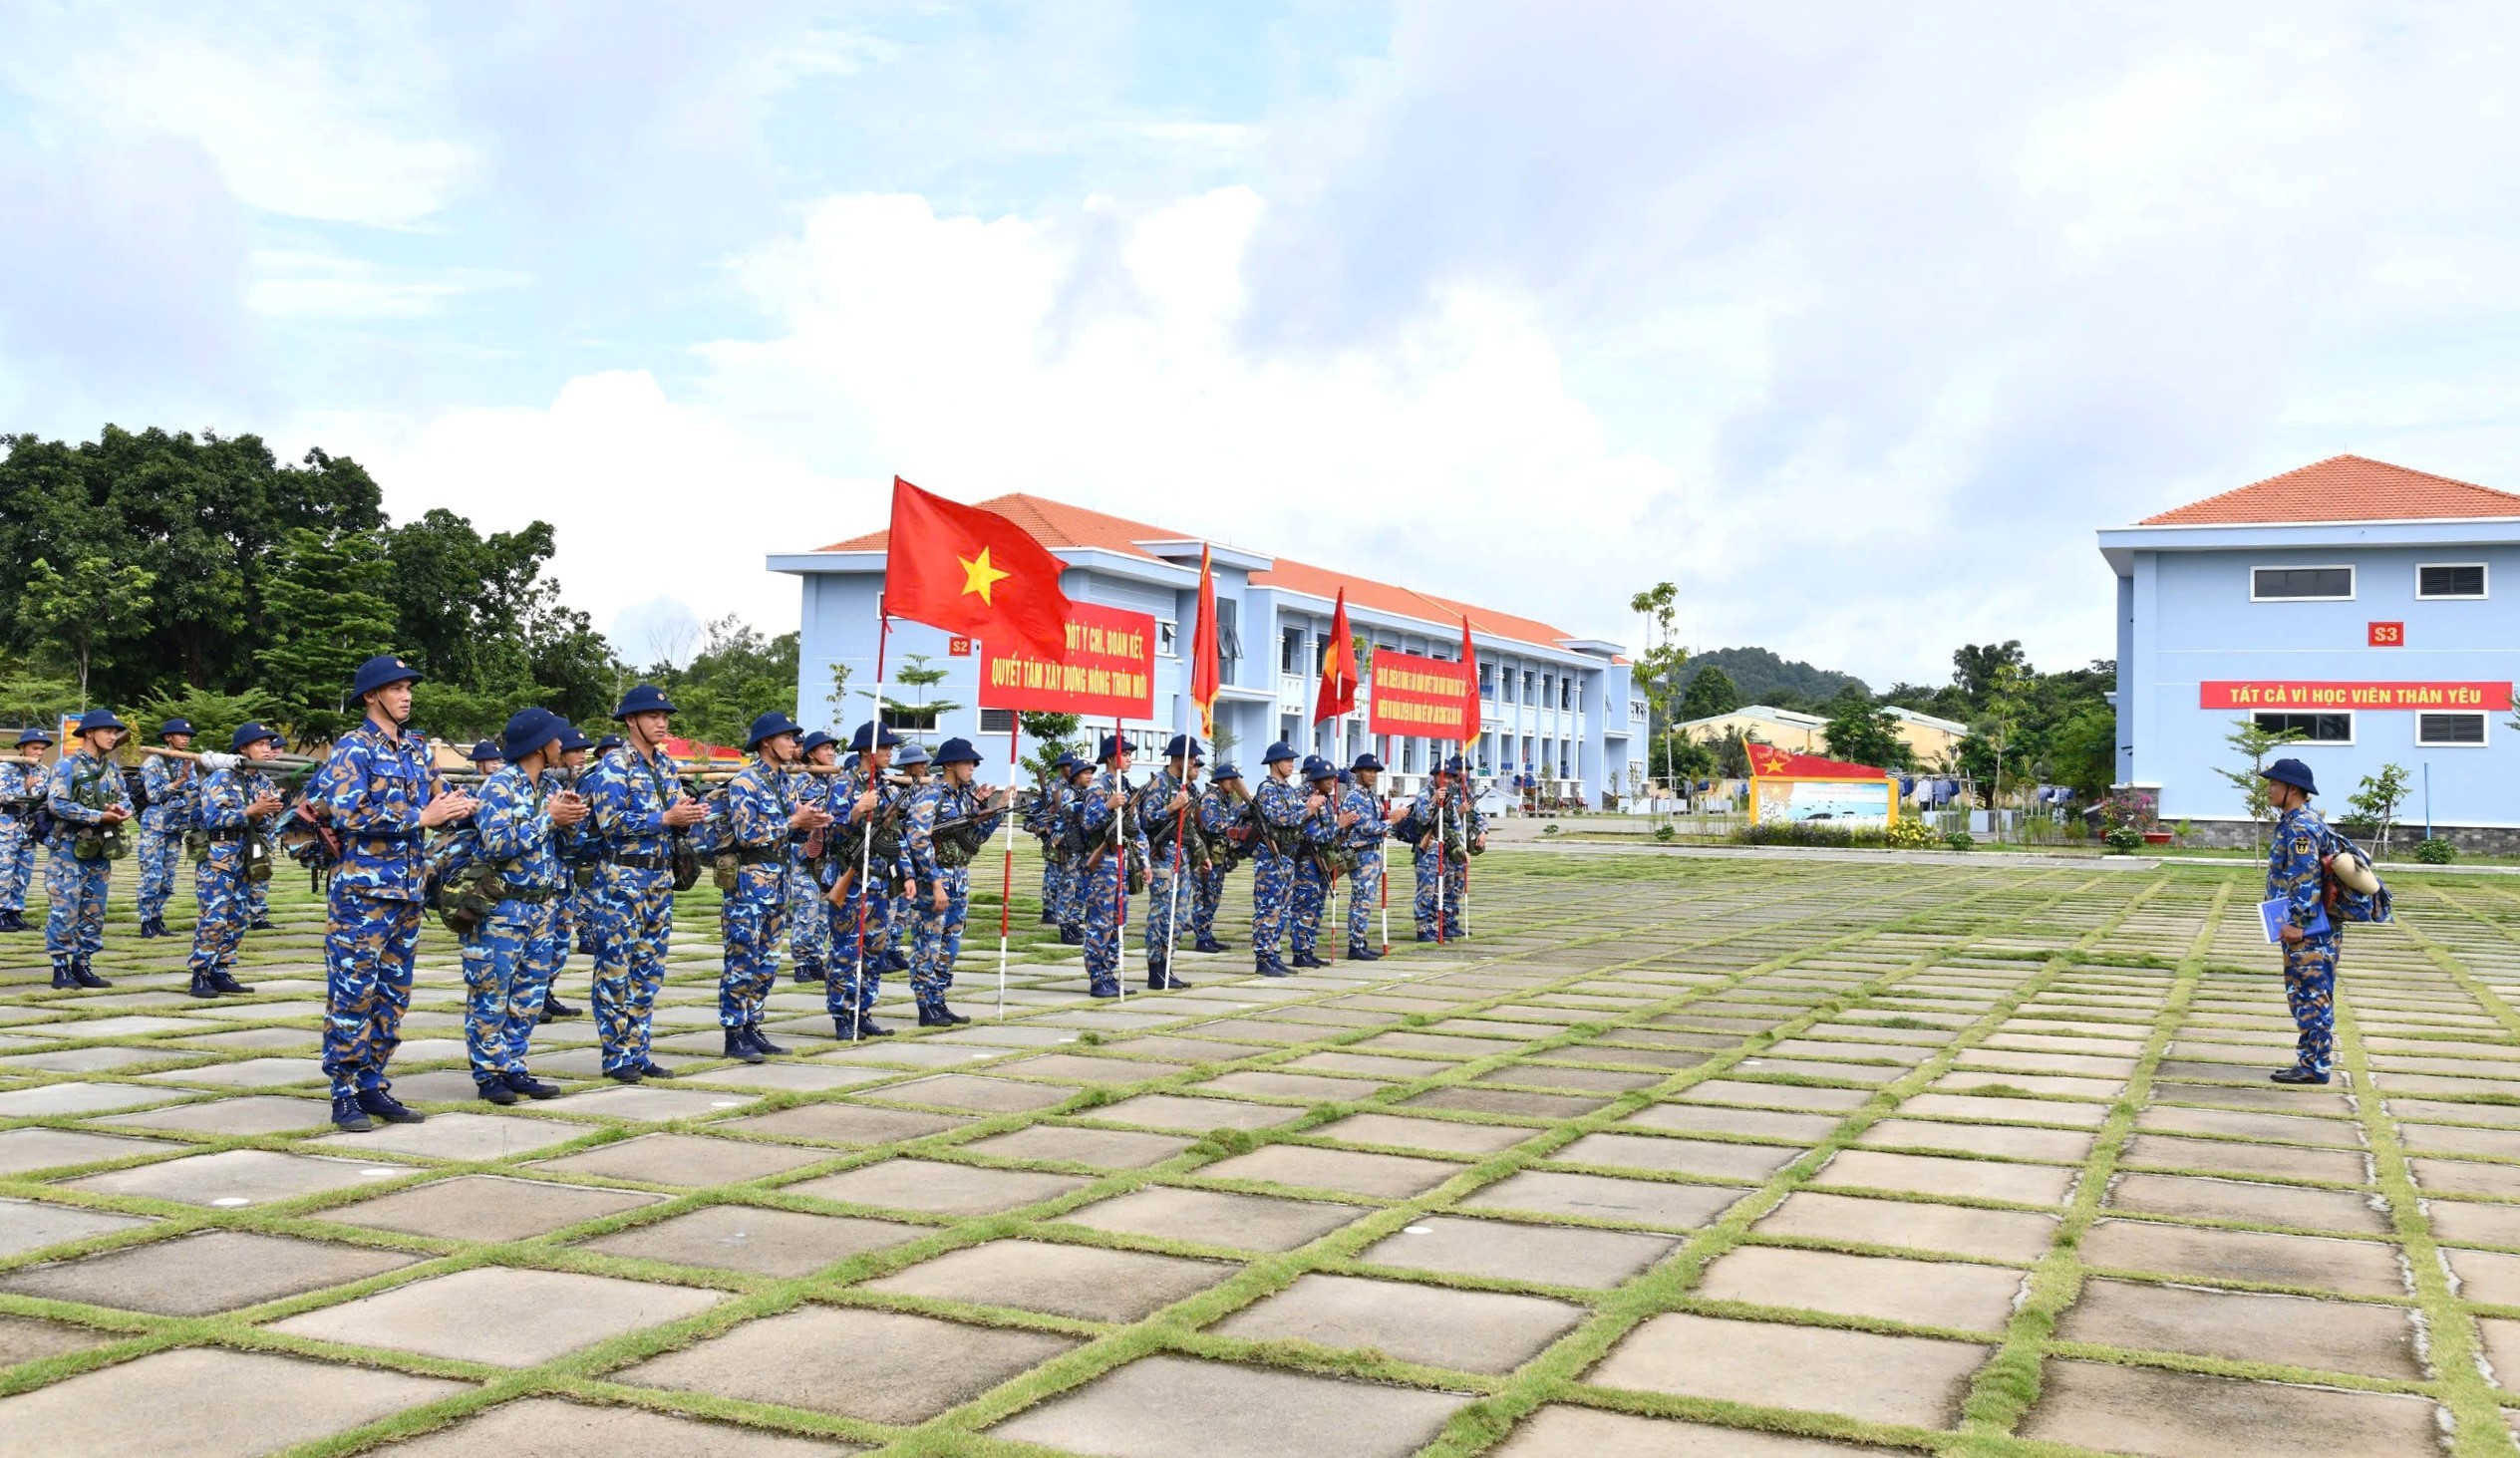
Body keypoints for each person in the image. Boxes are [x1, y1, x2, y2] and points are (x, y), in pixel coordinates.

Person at [320, 657, 474, 1131]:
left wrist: (467, 805)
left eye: (409, 688)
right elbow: (348, 813)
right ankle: (343, 1091)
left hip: (408, 892)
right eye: (396, 688)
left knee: (393, 996)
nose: (406, 696)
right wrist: (419, 818)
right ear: (371, 695)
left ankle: (372, 1082)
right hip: (362, 895)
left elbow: (443, 797)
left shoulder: (416, 749)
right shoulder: (353, 749)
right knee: (353, 994)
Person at [581, 685, 707, 1082]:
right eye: (653, 716)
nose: (662, 723)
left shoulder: (665, 765)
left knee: (648, 972)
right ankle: (615, 1056)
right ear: (631, 720)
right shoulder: (614, 765)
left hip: (659, 879)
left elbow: (674, 812)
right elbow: (610, 822)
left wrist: (687, 814)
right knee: (614, 969)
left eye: (665, 717)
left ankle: (639, 1050)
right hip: (622, 881)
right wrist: (664, 819)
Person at [460, 709, 586, 1104]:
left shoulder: (549, 785)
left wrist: (570, 821)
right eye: (556, 739)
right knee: (491, 993)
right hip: (501, 908)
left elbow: (569, 850)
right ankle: (489, 1073)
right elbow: (498, 843)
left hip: (542, 908)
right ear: (539, 745)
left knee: (529, 996)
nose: (562, 745)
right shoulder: (499, 786)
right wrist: (548, 819)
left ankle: (515, 1065)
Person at [719, 712, 827, 1062]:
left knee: (767, 962)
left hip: (779, 884)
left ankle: (753, 1024)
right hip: (748, 886)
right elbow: (746, 834)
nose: (794, 744)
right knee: (742, 960)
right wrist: (793, 821)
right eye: (787, 738)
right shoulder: (745, 782)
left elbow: (789, 833)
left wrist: (809, 824)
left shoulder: (785, 782)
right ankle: (734, 1033)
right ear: (767, 742)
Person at [903, 736, 1005, 1023]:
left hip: (960, 877)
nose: (972, 767)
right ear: (949, 764)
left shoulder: (964, 796)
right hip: (936, 878)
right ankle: (926, 1005)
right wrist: (935, 883)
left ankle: (939, 999)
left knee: (951, 944)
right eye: (967, 762)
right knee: (929, 943)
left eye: (974, 763)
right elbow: (917, 838)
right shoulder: (931, 793)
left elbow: (975, 839)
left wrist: (997, 809)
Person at [184, 722, 287, 998]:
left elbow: (266, 824)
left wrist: (266, 812)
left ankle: (221, 969)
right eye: (260, 744)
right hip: (217, 858)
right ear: (243, 749)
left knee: (238, 918)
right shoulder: (221, 778)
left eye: (268, 744)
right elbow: (213, 818)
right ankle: (200, 973)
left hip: (246, 858)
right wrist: (251, 810)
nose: (267, 749)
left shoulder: (263, 782)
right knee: (213, 918)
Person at [2264, 757, 2344, 1086]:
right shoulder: (2295, 822)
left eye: (2274, 784)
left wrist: (2297, 922)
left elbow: (2306, 877)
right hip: (2306, 926)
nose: (2269, 789)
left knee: (2313, 996)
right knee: (2304, 995)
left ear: (2292, 790)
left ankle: (2315, 1066)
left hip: (2309, 930)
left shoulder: (2301, 828)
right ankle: (2311, 1061)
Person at [44, 709, 135, 989]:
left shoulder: (111, 769)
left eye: (115, 731)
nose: (113, 736)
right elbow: (56, 804)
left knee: (94, 910)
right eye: (107, 731)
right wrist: (97, 816)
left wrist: (122, 811)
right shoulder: (66, 766)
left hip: (100, 848)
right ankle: (61, 968)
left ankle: (82, 964)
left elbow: (126, 799)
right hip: (68, 848)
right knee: (65, 908)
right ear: (89, 733)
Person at [828, 720, 904, 1037]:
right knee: (847, 950)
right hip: (851, 879)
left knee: (875, 950)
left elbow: (894, 835)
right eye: (883, 747)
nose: (889, 752)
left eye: (890, 747)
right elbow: (830, 833)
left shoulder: (886, 786)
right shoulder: (844, 784)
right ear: (866, 751)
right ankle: (843, 1015)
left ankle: (864, 1009)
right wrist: (857, 811)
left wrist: (903, 874)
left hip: (879, 882)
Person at [1075, 733, 1145, 999]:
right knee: (1100, 923)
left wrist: (1144, 862)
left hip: (1121, 865)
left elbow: (1135, 829)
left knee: (1118, 922)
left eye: (1130, 754)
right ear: (1111, 758)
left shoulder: (1125, 787)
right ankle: (1097, 977)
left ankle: (1109, 974)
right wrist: (1108, 805)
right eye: (1124, 754)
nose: (1129, 759)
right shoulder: (1098, 787)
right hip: (1102, 866)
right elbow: (1088, 823)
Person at [537, 724, 596, 1021]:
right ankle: (533, 997)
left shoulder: (572, 784)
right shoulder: (543, 785)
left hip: (565, 876)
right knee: (539, 943)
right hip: (541, 878)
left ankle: (545, 992)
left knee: (560, 941)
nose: (581, 756)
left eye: (584, 751)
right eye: (574, 751)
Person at [1135, 734, 1201, 990]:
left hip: (1182, 858)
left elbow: (1190, 827)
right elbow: (1145, 820)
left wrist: (1202, 855)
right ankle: (1155, 970)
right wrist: (1172, 807)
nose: (1195, 761)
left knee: (1179, 916)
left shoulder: (1186, 787)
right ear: (1177, 758)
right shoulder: (1159, 783)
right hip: (1163, 858)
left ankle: (1167, 966)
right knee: (1161, 914)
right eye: (1191, 757)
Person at [787, 729, 841, 986]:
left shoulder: (834, 780)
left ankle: (814, 958)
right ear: (811, 754)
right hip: (803, 856)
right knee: (806, 909)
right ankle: (801, 961)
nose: (831, 753)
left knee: (823, 912)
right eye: (825, 749)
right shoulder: (802, 780)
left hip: (827, 857)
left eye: (833, 749)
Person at [135, 718, 197, 939]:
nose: (186, 739)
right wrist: (180, 780)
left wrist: (188, 780)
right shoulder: (153, 762)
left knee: (168, 877)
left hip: (176, 825)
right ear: (168, 737)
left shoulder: (187, 761)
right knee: (151, 874)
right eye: (181, 735)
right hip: (155, 825)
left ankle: (157, 917)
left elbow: (194, 789)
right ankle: (145, 921)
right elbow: (154, 795)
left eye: (188, 736)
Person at [1287, 756, 1351, 970]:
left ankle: (1308, 949)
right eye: (1327, 779)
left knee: (1317, 907)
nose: (1332, 782)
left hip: (1321, 861)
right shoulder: (1309, 801)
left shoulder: (1324, 800)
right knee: (1304, 907)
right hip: (1307, 861)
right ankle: (1300, 951)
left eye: (1333, 778)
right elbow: (1315, 836)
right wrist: (1339, 825)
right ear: (1315, 779)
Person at [1412, 754, 1485, 941]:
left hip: (1445, 849)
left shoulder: (1451, 797)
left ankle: (1436, 925)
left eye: (1450, 777)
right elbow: (1422, 819)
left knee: (1442, 889)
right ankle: (1423, 928)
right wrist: (1434, 801)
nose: (1447, 780)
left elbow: (1455, 824)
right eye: (1443, 776)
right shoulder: (1424, 794)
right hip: (1428, 849)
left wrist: (1462, 849)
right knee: (1427, 889)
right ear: (1435, 775)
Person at [1249, 742, 1307, 977]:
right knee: (1268, 908)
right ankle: (1263, 957)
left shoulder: (1288, 790)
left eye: (1292, 760)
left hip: (1287, 856)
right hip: (1270, 858)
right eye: (1287, 760)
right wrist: (1308, 810)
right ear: (1274, 763)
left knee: (1282, 909)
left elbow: (1297, 817)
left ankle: (1273, 953)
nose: (1291, 764)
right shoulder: (1267, 789)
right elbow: (1280, 818)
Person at [885, 741, 934, 972]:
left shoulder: (922, 789)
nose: (924, 766)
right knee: (892, 904)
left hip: (913, 855)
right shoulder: (893, 789)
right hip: (895, 851)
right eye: (920, 763)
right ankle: (883, 948)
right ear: (908, 765)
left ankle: (894, 947)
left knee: (905, 907)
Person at [1342, 752, 1396, 961]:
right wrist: (1392, 821)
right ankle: (1355, 945)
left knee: (1367, 900)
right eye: (1368, 770)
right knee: (1361, 900)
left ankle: (1360, 941)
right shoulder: (1355, 797)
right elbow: (1367, 827)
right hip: (1362, 854)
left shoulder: (1370, 795)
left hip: (1372, 854)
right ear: (1358, 772)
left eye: (1375, 771)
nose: (1373, 775)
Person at [0, 727, 51, 933]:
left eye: (42, 749)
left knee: (23, 872)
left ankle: (14, 912)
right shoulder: (5, 768)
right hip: (6, 826)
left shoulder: (43, 771)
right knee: (4, 870)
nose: (39, 752)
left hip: (29, 827)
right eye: (35, 748)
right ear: (22, 747)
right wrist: (24, 786)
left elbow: (43, 798)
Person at [1190, 761, 1244, 954]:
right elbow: (1212, 826)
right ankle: (1202, 938)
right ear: (1220, 781)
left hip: (1218, 856)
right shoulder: (1211, 799)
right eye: (1230, 780)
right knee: (1205, 897)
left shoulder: (1226, 799)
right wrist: (1236, 817)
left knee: (1213, 897)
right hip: (1206, 856)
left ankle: (1207, 933)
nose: (1234, 783)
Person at [1025, 751, 1076, 929]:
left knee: (1069, 876)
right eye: (1068, 765)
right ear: (1062, 767)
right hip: (1054, 834)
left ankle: (1067, 911)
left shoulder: (1076, 785)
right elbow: (1056, 809)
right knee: (1053, 875)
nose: (1071, 768)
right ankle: (1048, 911)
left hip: (1071, 835)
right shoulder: (1056, 785)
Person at [1054, 754, 1098, 944]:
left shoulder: (1088, 792)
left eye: (1090, 773)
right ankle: (1064, 925)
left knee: (1081, 886)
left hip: (1084, 847)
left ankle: (1074, 921)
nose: (1089, 777)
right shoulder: (1070, 793)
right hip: (1070, 847)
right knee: (1068, 887)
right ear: (1076, 776)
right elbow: (1067, 809)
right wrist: (1088, 801)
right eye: (1085, 773)